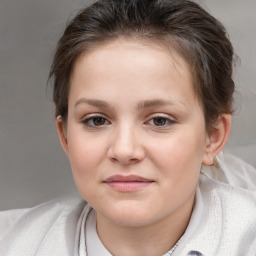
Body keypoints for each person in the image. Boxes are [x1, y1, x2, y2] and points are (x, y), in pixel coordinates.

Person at [0, 0, 256, 255]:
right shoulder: (14, 244)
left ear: (213, 137)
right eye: (96, 120)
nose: (124, 150)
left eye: (159, 120)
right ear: (65, 136)